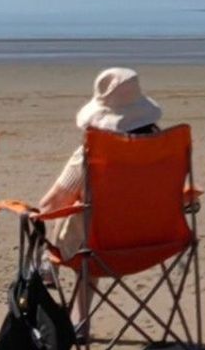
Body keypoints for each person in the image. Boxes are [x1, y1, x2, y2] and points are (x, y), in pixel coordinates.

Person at [37, 67, 165, 333]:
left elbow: (50, 206)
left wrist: (31, 217)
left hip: (100, 247)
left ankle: (48, 268)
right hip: (156, 241)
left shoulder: (91, 155)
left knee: (82, 223)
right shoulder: (164, 148)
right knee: (95, 219)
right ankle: (78, 317)